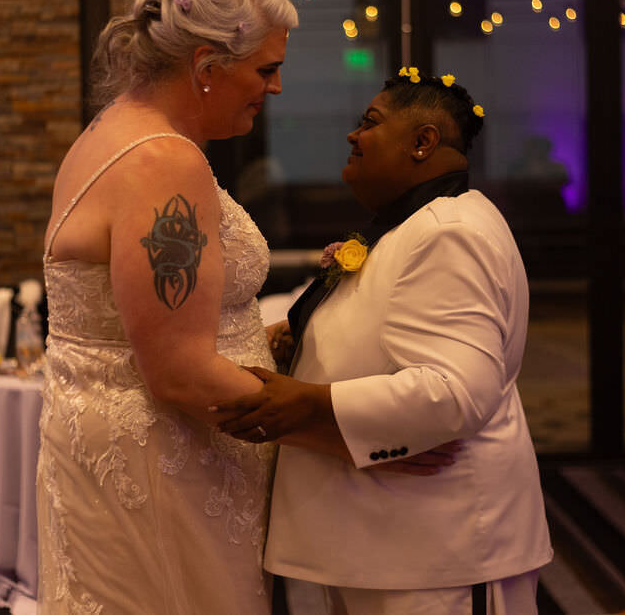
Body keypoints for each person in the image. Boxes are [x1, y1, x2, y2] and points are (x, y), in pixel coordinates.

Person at [215, 69, 553, 615]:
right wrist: (296, 341)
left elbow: (455, 392)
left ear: (422, 142)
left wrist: (307, 403)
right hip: (387, 539)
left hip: (441, 546)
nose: (353, 135)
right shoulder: (410, 225)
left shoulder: (450, 231)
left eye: (370, 123)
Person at [36, 0, 297, 614]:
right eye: (266, 70)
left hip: (122, 443)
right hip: (159, 460)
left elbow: (138, 323)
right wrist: (327, 420)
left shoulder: (113, 128)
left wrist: (259, 341)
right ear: (207, 67)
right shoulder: (163, 160)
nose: (275, 89)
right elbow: (178, 372)